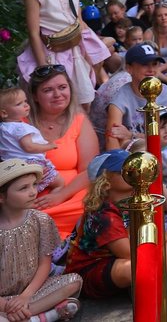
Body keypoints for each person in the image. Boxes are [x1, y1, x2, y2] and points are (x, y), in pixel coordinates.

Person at [64, 150, 167, 297]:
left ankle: (151, 277)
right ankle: (162, 270)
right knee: (132, 268)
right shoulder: (103, 214)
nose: (136, 173)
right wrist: (161, 252)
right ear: (105, 183)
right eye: (125, 171)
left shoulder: (132, 199)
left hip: (122, 255)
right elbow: (128, 253)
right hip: (93, 269)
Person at [19, 0, 110, 106]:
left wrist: (90, 49)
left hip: (75, 47)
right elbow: (33, 32)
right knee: (58, 101)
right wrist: (43, 68)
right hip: (51, 52)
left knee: (84, 100)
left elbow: (79, 20)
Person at [0, 159, 82, 322]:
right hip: (2, 299)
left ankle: (16, 317)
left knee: (74, 281)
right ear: (1, 197)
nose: (33, 192)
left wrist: (25, 297)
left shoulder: (41, 220)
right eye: (23, 188)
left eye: (34, 185)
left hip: (32, 292)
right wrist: (4, 305)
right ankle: (42, 317)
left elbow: (45, 264)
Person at [28, 68, 98, 239]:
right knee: (31, 219)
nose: (57, 94)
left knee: (90, 212)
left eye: (62, 87)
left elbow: (90, 170)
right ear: (35, 96)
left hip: (74, 194)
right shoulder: (19, 125)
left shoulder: (79, 121)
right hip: (34, 196)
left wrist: (61, 195)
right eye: (48, 90)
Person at [0, 87, 63, 192]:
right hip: (31, 163)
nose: (26, 105)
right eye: (19, 104)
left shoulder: (3, 128)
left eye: (25, 101)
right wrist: (49, 146)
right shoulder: (21, 127)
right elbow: (29, 147)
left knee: (25, 190)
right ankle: (53, 197)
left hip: (12, 167)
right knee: (59, 183)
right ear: (4, 113)